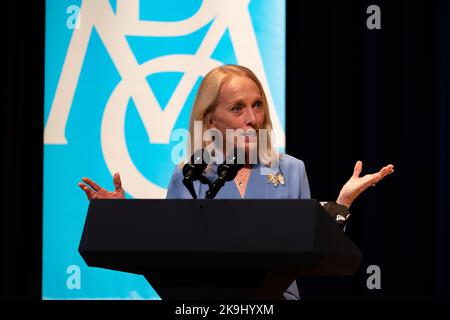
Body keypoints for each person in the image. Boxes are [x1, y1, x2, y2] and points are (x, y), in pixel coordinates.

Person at [78, 64, 394, 300]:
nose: (253, 119)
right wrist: (117, 219)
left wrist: (342, 204)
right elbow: (166, 251)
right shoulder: (190, 175)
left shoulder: (291, 169)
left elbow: (312, 251)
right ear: (212, 120)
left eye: (257, 105)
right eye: (238, 108)